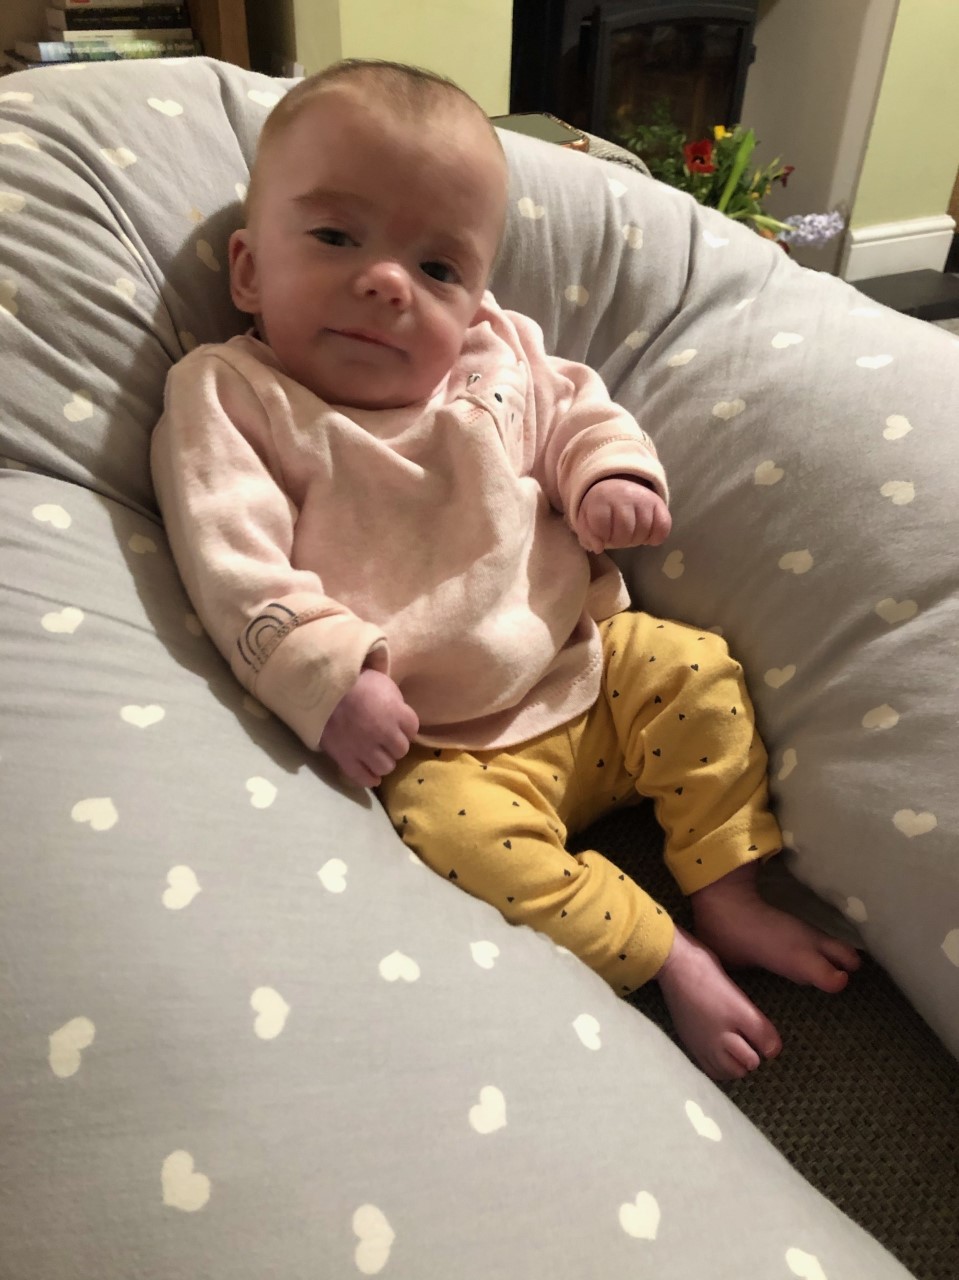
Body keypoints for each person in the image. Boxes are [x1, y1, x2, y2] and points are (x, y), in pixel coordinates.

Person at [150, 58, 860, 1081]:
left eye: (438, 269)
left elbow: (578, 405)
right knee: (447, 837)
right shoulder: (233, 394)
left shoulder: (495, 350)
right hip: (445, 741)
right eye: (336, 236)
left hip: (584, 660)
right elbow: (231, 556)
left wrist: (606, 473)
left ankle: (729, 892)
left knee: (696, 666)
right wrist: (329, 672)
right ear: (249, 270)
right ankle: (668, 952)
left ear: (478, 291)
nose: (388, 280)